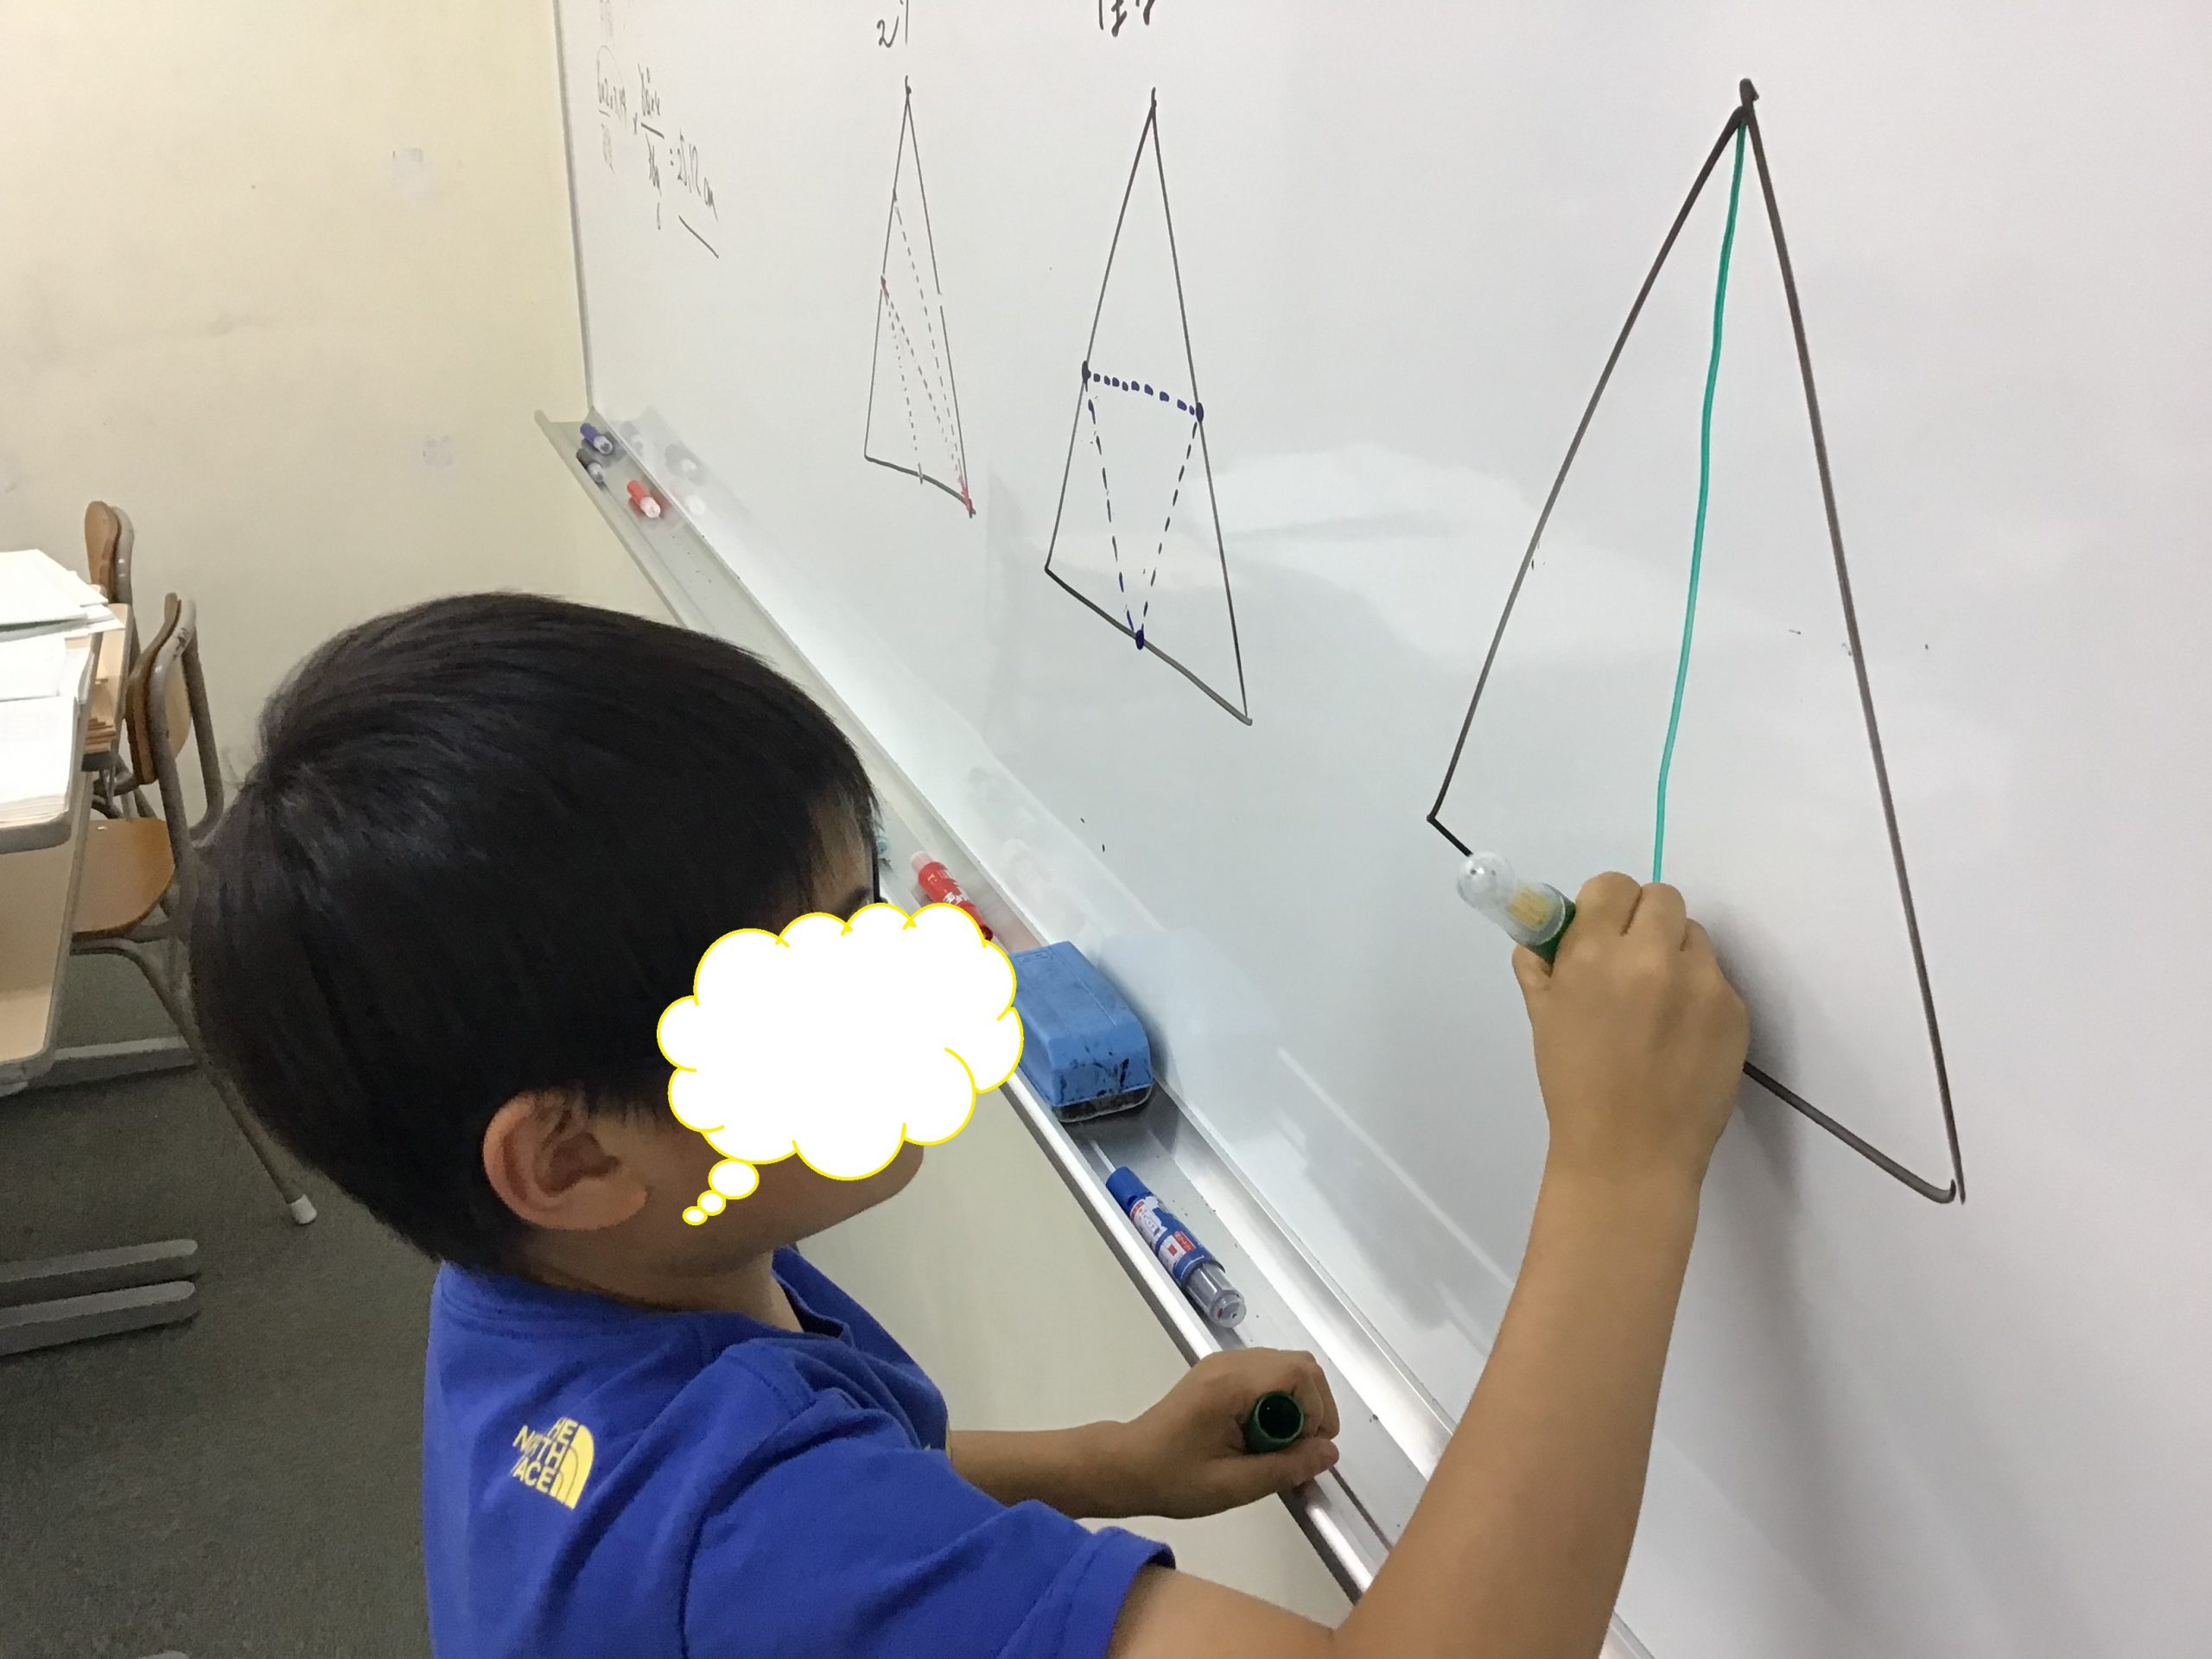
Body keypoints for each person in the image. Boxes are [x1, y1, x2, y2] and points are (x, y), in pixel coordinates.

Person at [188, 593, 1749, 1659]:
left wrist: (1103, 1466)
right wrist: (1622, 1173)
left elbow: (838, 1495)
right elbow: (791, 1534)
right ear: (574, 1160)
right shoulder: (752, 1525)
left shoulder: (544, 1297)